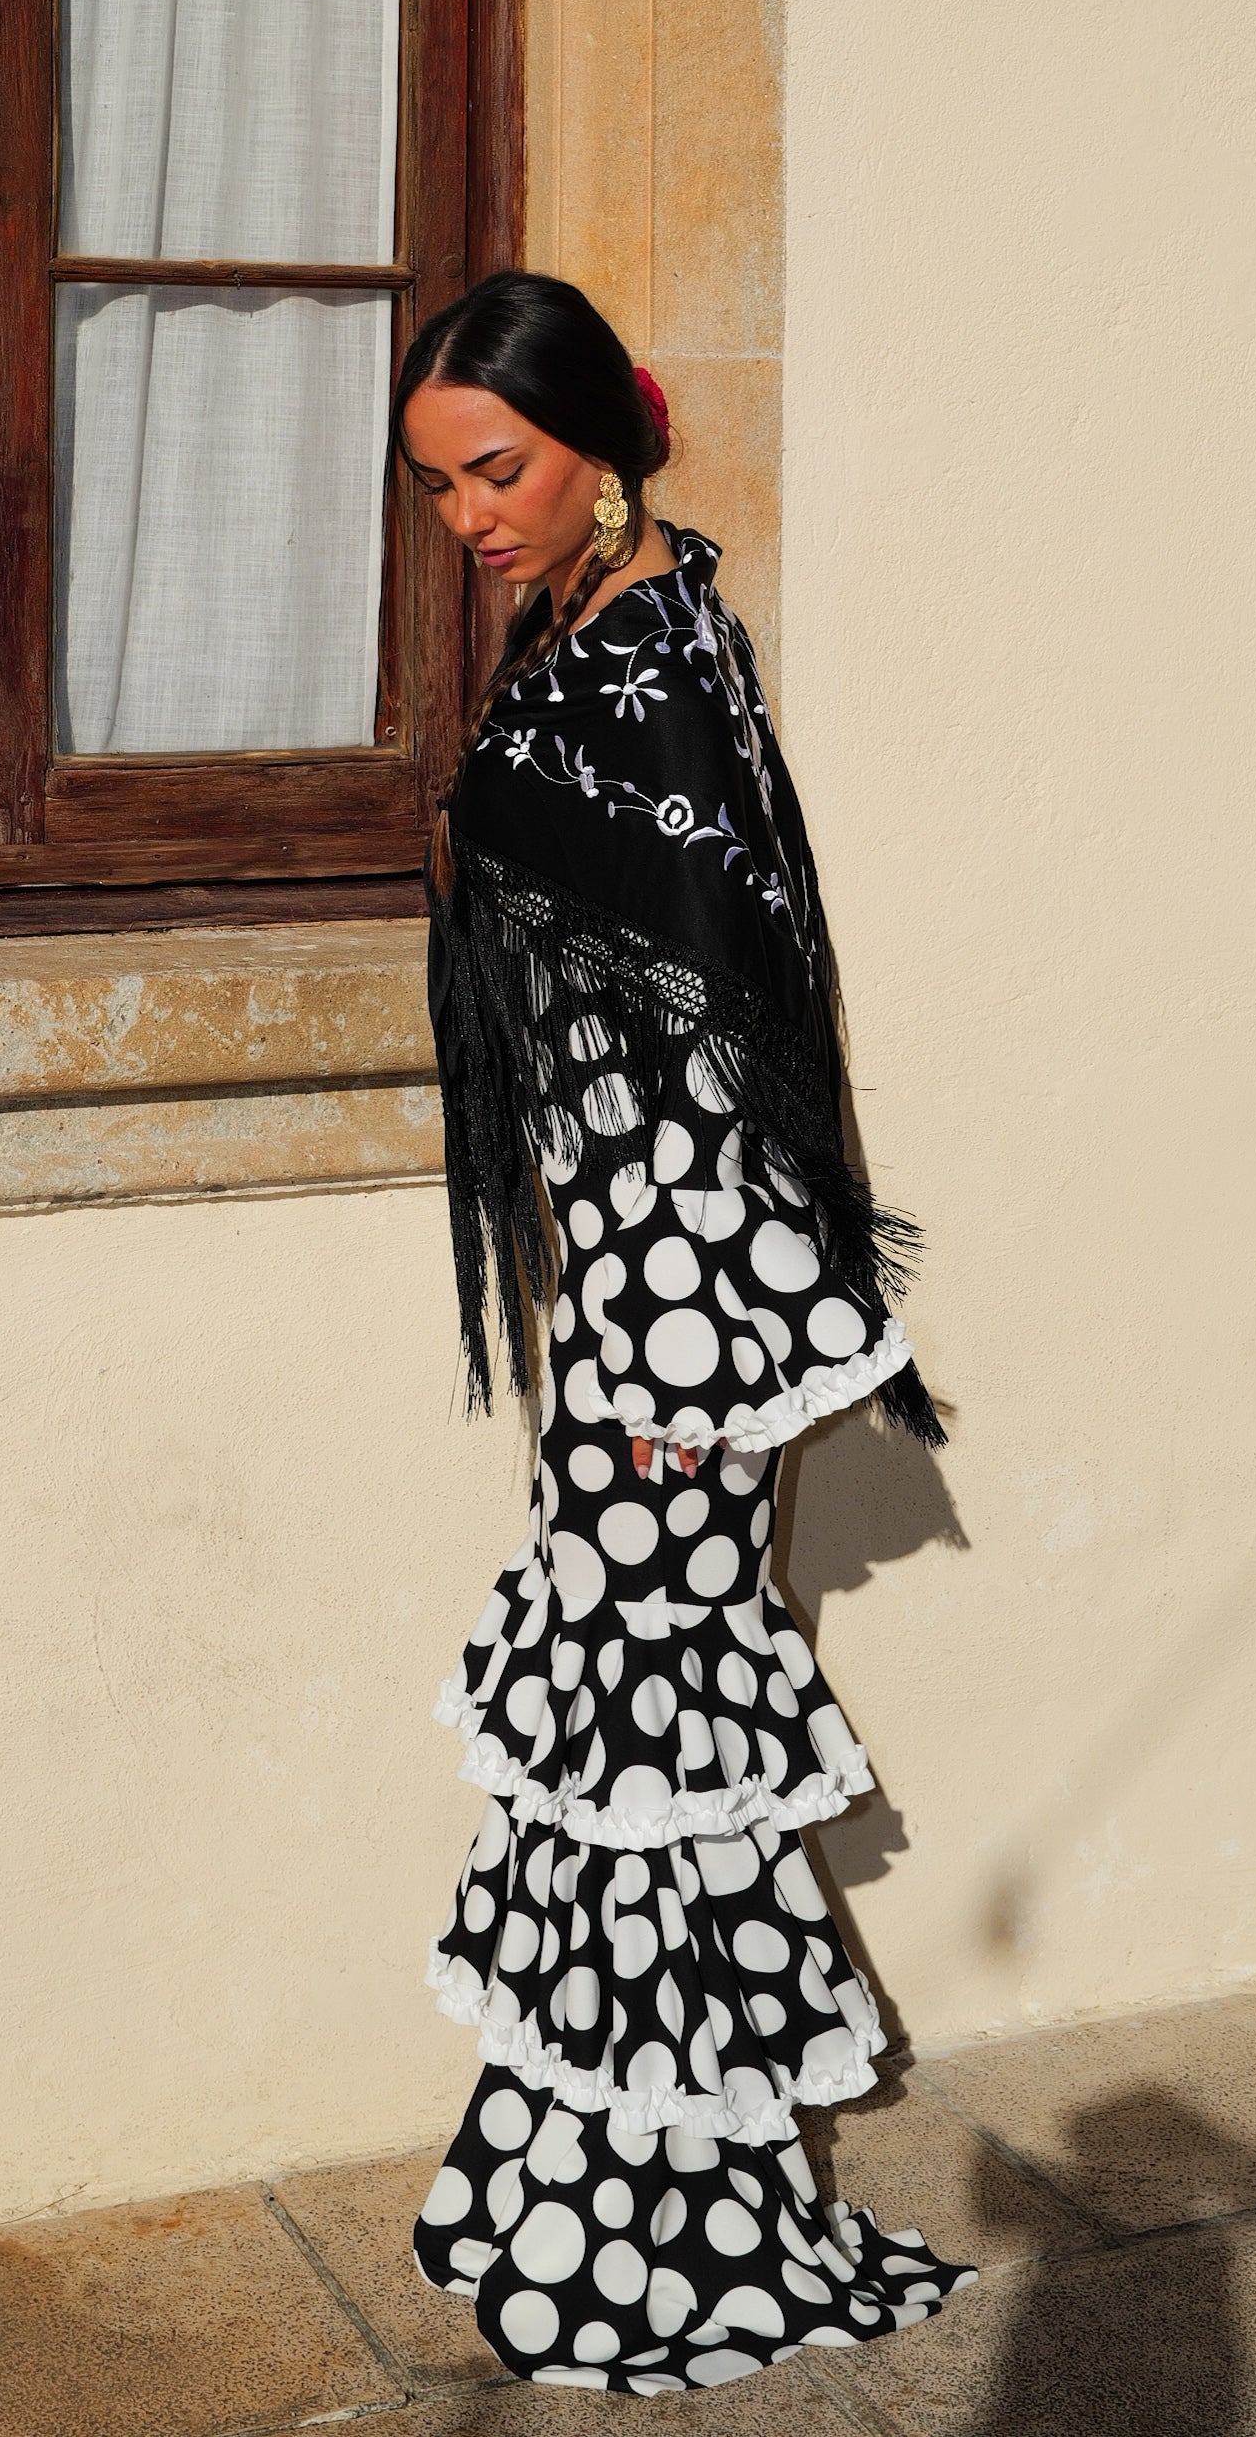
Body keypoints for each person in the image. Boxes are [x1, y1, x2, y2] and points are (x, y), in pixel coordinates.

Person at [399, 271, 974, 2393]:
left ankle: (666, 2223)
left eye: (499, 471)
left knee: (648, 1761)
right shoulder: (607, 630)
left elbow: (717, 1053)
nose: (469, 516)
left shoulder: (646, 672)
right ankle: (590, 2170)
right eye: (441, 486)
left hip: (675, 1328)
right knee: (617, 1764)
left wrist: (671, 1374)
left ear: (596, 442)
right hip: (635, 1304)